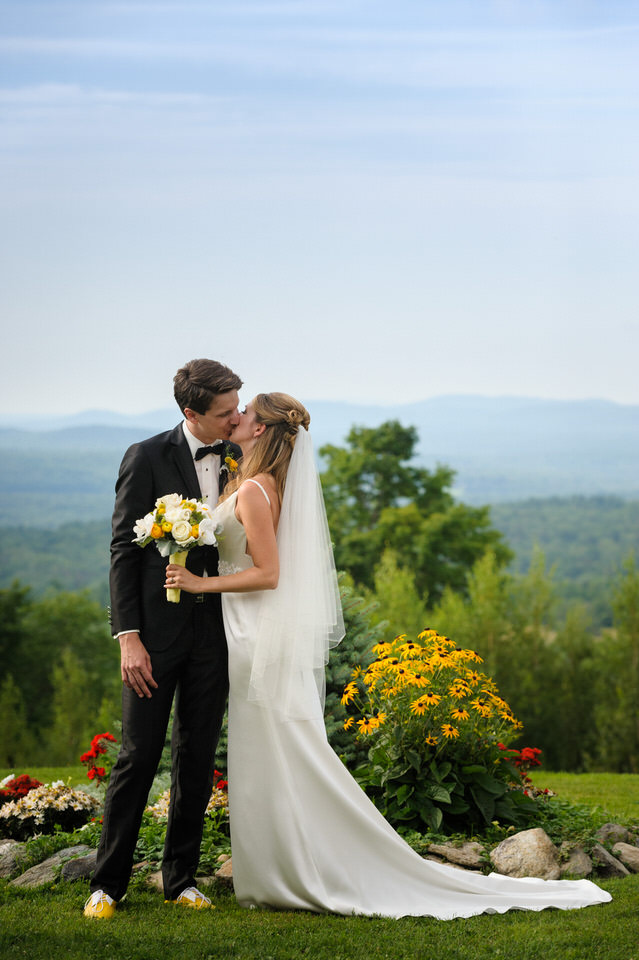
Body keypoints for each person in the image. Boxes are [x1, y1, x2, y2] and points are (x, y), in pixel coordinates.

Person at [164, 391, 612, 920]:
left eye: (246, 415)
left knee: (282, 748)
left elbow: (270, 574)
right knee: (267, 751)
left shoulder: (260, 491)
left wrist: (198, 583)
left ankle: (299, 870)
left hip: (255, 635)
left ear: (262, 430)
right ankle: (278, 866)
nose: (237, 419)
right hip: (239, 630)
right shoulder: (248, 480)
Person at [84, 359, 243, 919]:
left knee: (197, 757)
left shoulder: (239, 456)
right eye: (225, 412)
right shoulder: (146, 456)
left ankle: (180, 878)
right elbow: (124, 551)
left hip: (217, 634)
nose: (236, 418)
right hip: (152, 637)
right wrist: (128, 636)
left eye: (237, 407)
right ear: (190, 413)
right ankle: (107, 883)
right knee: (138, 755)